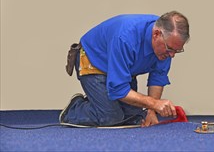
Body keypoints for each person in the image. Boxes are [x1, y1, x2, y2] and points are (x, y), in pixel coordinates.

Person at [59, 11, 190, 127]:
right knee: (110, 118)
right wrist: (154, 103)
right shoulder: (125, 38)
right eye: (170, 49)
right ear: (156, 34)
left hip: (122, 73)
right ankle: (74, 109)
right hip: (93, 63)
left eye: (177, 51)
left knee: (134, 118)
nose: (172, 55)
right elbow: (118, 89)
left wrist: (151, 111)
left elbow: (157, 78)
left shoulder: (167, 46)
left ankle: (100, 100)